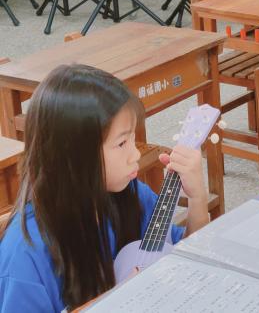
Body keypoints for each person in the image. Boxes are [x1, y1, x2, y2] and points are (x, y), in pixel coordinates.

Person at [0, 64, 209, 311]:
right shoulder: (26, 254)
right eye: (121, 143)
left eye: (133, 138)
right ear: (74, 156)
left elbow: (183, 253)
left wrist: (197, 199)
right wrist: (119, 297)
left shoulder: (130, 194)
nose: (135, 154)